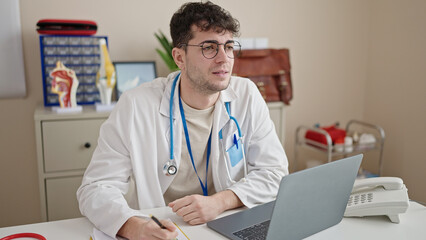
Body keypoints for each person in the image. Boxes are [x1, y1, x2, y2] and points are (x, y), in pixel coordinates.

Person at [77, 1, 288, 240]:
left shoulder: (246, 95)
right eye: (209, 47)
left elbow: (274, 172)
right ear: (179, 57)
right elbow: (95, 188)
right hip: (161, 229)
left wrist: (219, 202)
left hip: (222, 224)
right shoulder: (136, 105)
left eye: (229, 46)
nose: (224, 58)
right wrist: (133, 227)